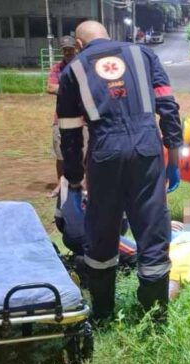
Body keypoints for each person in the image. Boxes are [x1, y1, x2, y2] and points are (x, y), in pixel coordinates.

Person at [56, 21, 181, 324]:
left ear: (80, 44)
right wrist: (173, 157)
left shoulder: (73, 70)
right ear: (107, 36)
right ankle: (155, 315)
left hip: (104, 151)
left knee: (102, 230)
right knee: (152, 228)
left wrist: (73, 179)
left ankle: (102, 312)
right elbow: (167, 105)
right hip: (146, 147)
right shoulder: (143, 55)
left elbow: (70, 135)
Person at [46, 36, 80, 197]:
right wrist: (72, 88)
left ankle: (81, 183)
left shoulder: (83, 65)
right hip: (61, 117)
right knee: (60, 153)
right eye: (64, 49)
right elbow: (50, 87)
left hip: (84, 117)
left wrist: (64, 88)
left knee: (84, 151)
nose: (67, 52)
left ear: (76, 48)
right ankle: (61, 184)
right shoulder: (57, 69)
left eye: (70, 49)